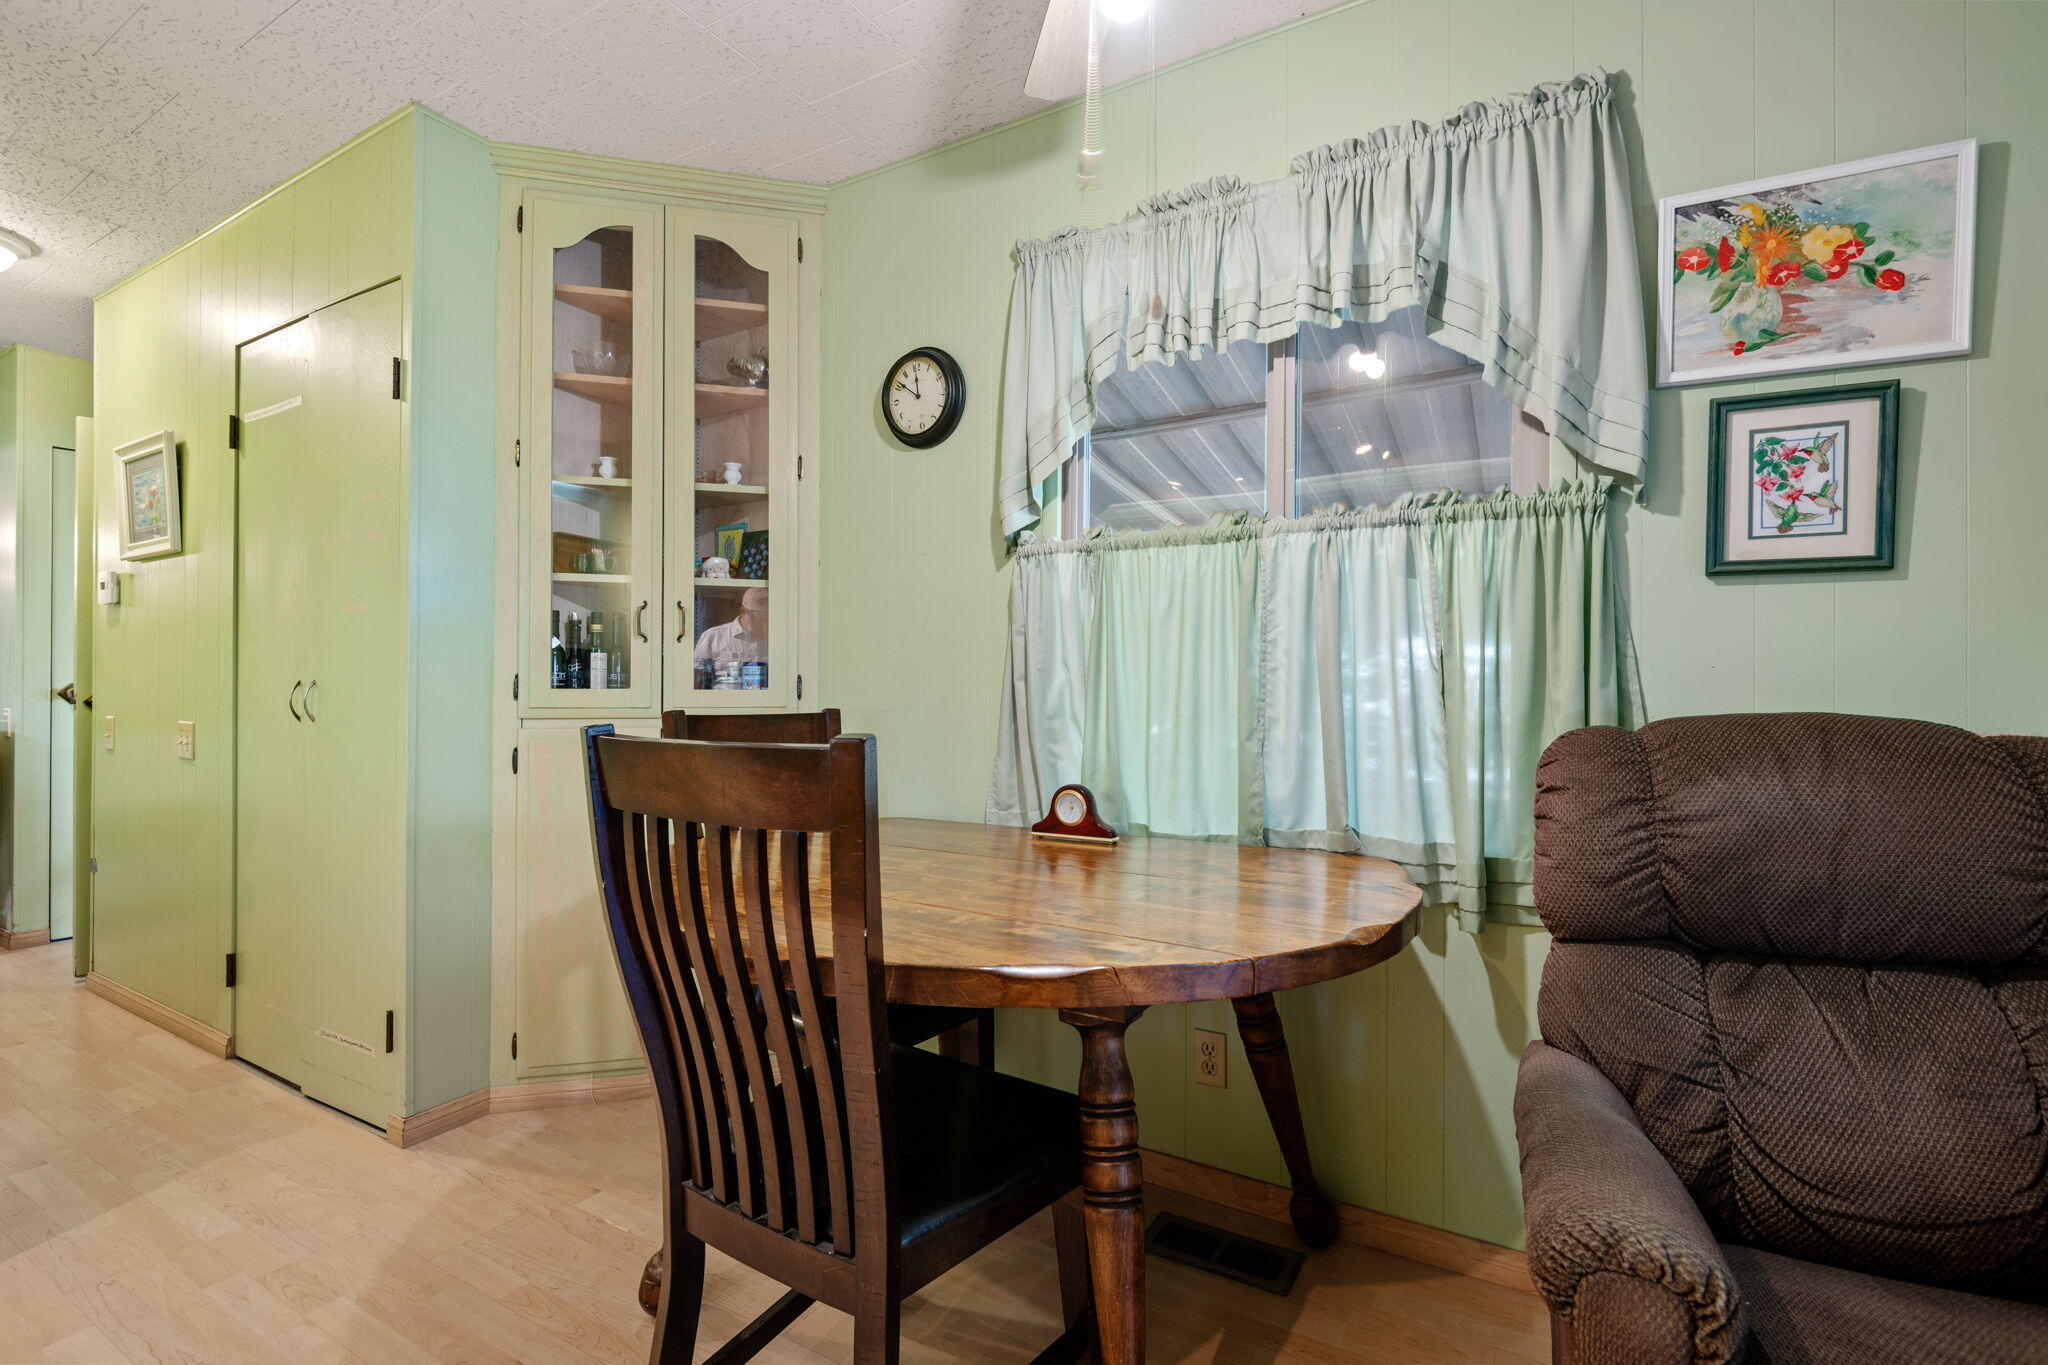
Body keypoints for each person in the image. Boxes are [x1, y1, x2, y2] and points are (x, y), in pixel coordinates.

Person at [693, 586, 767, 680]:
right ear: (743, 611)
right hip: (723, 694)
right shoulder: (712, 637)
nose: (762, 620)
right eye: (757, 615)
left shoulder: (774, 639)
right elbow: (697, 680)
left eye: (766, 615)